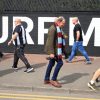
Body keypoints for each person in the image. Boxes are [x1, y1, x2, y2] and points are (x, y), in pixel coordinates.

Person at [44, 16, 66, 88]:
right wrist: (51, 53)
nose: (64, 24)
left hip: (56, 50)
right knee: (60, 63)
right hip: (54, 51)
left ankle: (46, 79)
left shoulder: (58, 28)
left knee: (51, 63)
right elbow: (50, 41)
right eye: (63, 23)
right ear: (59, 22)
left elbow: (61, 35)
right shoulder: (53, 29)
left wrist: (64, 36)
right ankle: (53, 79)